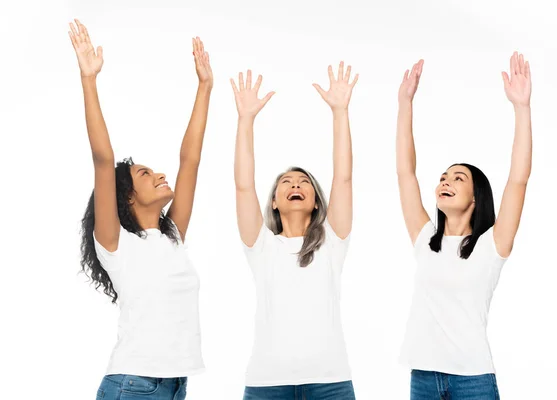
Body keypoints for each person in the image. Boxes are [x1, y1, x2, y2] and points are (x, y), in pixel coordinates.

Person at [71, 19, 212, 399]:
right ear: (127, 197)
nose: (159, 174)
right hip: (132, 386)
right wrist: (89, 80)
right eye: (145, 174)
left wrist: (205, 87)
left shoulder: (173, 236)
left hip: (175, 386)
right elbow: (104, 159)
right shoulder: (114, 242)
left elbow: (190, 161)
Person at [396, 53, 532, 399]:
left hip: (473, 380)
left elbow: (518, 179)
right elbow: (405, 173)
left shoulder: (492, 245)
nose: (446, 180)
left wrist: (521, 108)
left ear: (476, 197)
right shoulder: (426, 239)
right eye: (443, 176)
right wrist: (405, 103)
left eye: (458, 178)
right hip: (424, 378)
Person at [230, 63, 358, 400]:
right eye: (286, 183)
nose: (295, 185)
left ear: (316, 202)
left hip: (330, 383)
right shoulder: (261, 245)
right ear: (274, 202)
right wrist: (245, 120)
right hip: (266, 386)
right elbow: (244, 186)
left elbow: (343, 176)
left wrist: (340, 112)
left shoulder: (333, 241)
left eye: (303, 183)